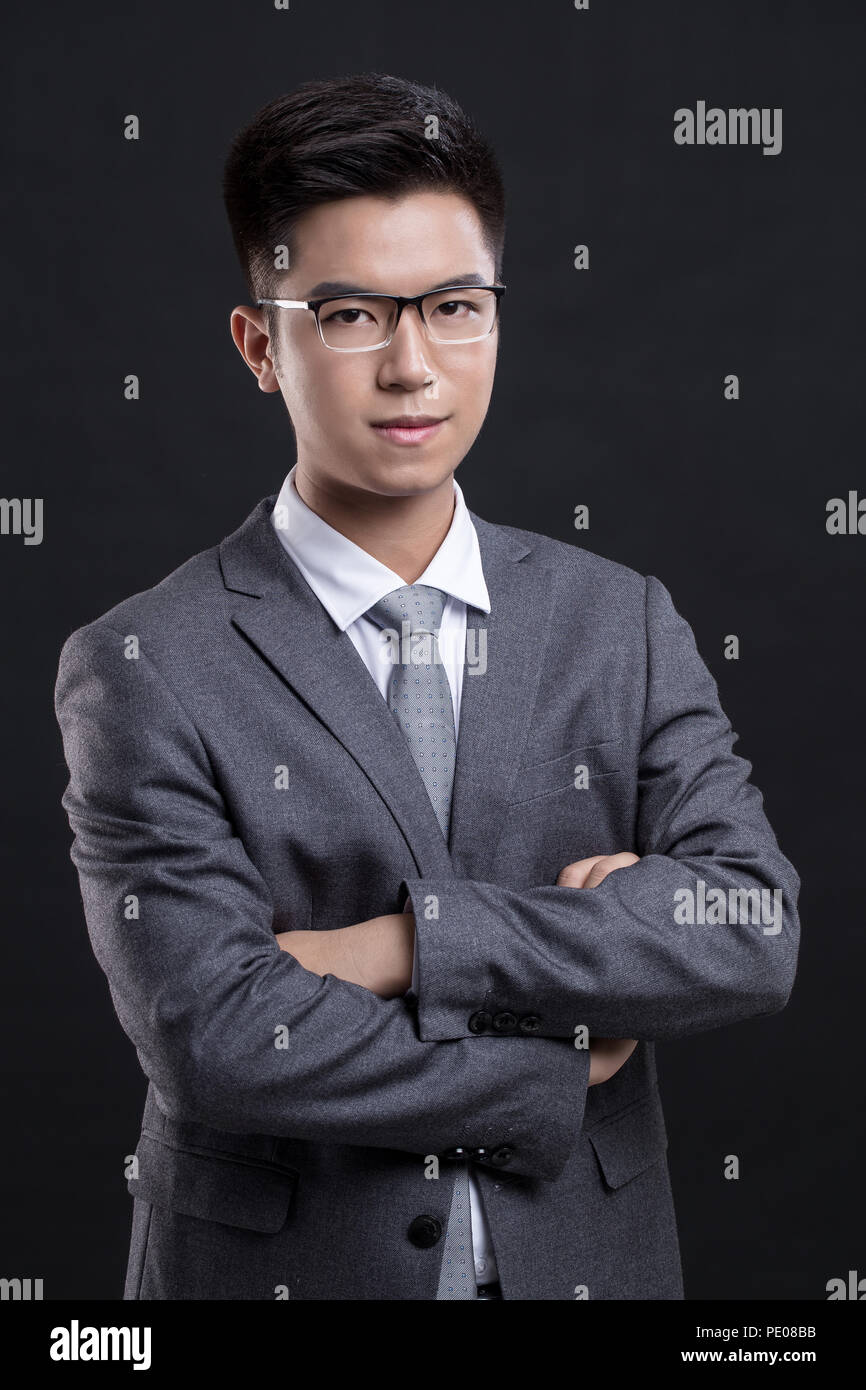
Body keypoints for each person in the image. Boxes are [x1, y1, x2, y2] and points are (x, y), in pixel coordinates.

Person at [54, 72, 801, 1301]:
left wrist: (402, 944)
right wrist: (562, 1049)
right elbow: (219, 1039)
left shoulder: (622, 621)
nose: (413, 367)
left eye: (453, 306)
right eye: (350, 316)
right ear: (261, 345)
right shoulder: (144, 664)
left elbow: (751, 931)